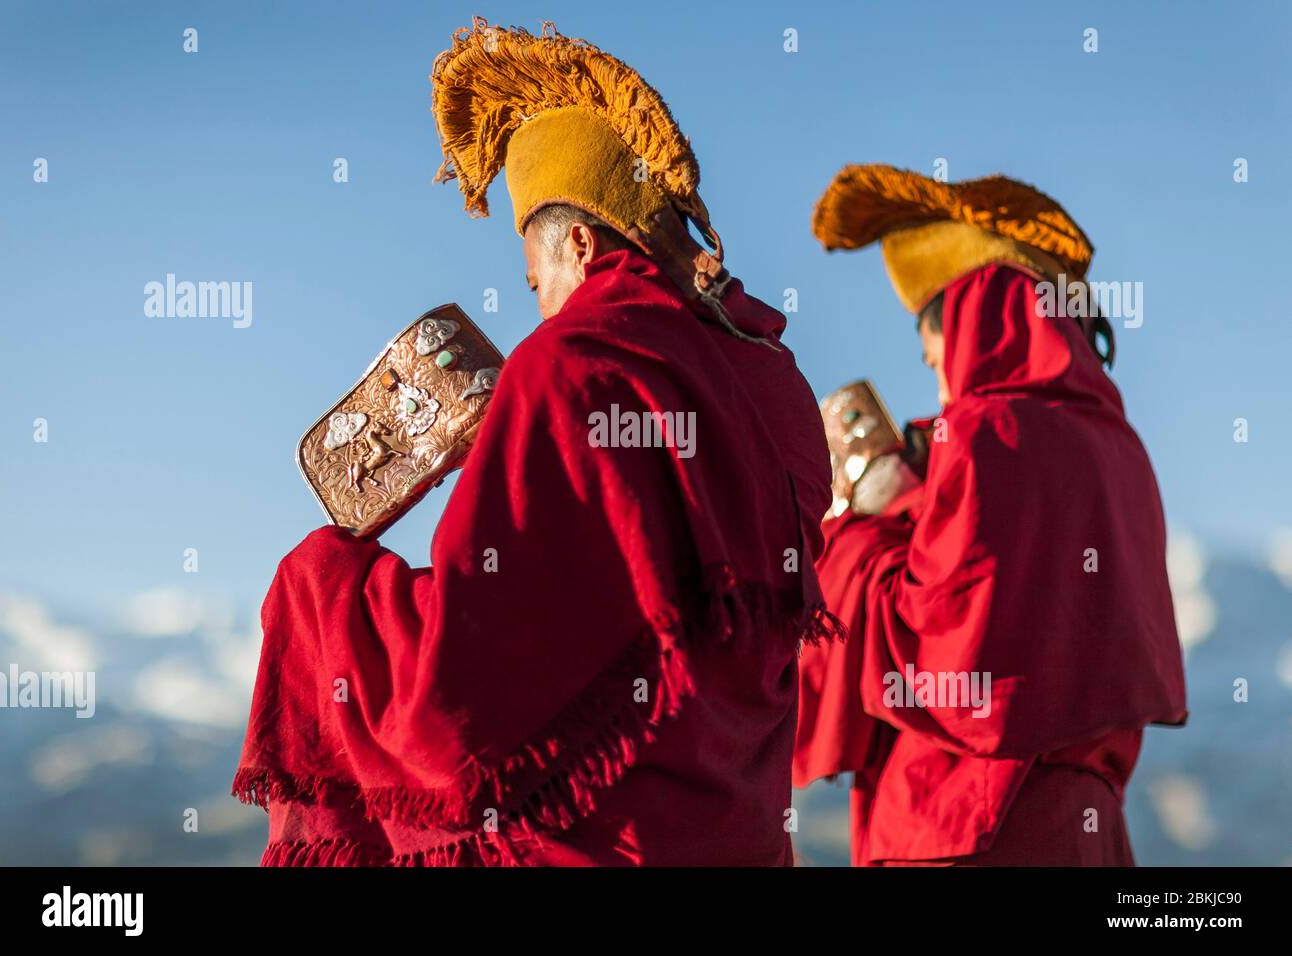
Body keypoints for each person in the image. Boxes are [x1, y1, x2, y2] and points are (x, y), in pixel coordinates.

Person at [231, 18, 836, 866]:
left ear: (580, 246)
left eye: (535, 282)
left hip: (600, 847)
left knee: (316, 577)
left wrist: (323, 587)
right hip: (743, 840)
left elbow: (464, 687)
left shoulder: (568, 369)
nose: (541, 309)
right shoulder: (774, 384)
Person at [794, 164, 1188, 865]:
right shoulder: (1121, 448)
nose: (940, 381)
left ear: (975, 320)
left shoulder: (985, 435)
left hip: (969, 825)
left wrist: (862, 521)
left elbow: (935, 646)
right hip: (1088, 833)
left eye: (934, 357)